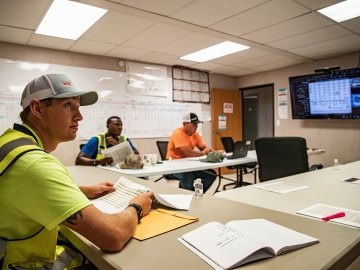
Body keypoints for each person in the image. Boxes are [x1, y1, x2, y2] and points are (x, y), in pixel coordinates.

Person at [0, 74, 153, 269]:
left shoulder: (10, 141)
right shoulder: (34, 163)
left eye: (78, 107)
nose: (79, 116)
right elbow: (113, 236)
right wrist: (137, 206)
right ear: (37, 108)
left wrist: (81, 191)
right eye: (68, 106)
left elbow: (21, 190)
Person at [166, 112, 221, 192]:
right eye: (194, 124)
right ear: (185, 124)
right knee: (188, 177)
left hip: (188, 164)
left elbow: (204, 148)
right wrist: (204, 153)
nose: (196, 126)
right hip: (173, 165)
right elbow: (189, 153)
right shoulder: (178, 133)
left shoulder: (195, 134)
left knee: (211, 174)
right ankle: (185, 198)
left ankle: (196, 193)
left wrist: (216, 153)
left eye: (197, 124)